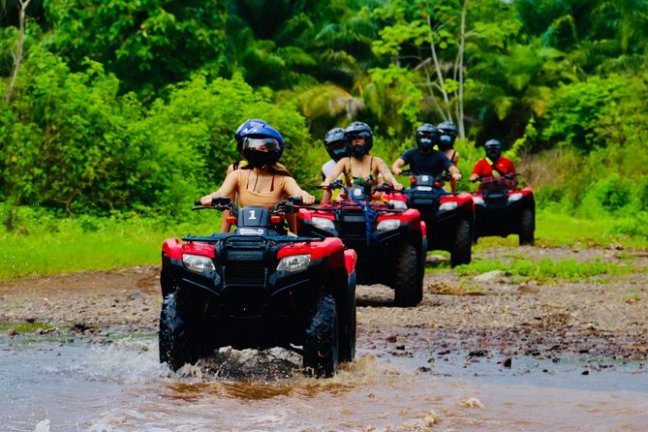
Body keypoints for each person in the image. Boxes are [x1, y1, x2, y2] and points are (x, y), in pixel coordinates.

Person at [201, 123, 315, 233]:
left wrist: (305, 196)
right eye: (253, 146)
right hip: (243, 232)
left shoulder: (283, 179)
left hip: (274, 235)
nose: (256, 150)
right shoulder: (237, 175)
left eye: (263, 147)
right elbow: (221, 192)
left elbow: (298, 191)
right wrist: (210, 197)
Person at [320, 122, 402, 203]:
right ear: (348, 141)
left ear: (367, 140)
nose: (356, 141)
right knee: (328, 192)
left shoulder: (377, 161)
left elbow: (387, 175)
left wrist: (395, 183)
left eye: (359, 138)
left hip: (373, 205)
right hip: (349, 204)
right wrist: (327, 182)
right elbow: (332, 175)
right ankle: (322, 211)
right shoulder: (344, 162)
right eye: (353, 139)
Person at [220, 118, 268, 232]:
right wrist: (223, 235)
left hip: (272, 224)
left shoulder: (276, 169)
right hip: (246, 224)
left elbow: (288, 206)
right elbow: (229, 205)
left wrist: (294, 233)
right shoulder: (235, 169)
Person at [392, 123, 462, 184]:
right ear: (418, 138)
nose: (425, 141)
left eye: (429, 139)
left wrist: (455, 173)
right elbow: (397, 163)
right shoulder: (411, 153)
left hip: (437, 190)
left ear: (434, 140)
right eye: (423, 138)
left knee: (449, 199)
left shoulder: (440, 155)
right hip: (414, 188)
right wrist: (396, 168)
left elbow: (452, 168)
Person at [437, 121, 460, 192]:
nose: (445, 140)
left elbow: (453, 177)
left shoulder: (455, 155)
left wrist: (453, 191)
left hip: (440, 187)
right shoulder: (432, 150)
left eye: (447, 137)